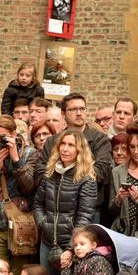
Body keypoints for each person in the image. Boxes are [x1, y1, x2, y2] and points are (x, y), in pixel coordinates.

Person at [33, 129, 97, 275]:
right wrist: (43, 222)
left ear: (79, 150)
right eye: (63, 144)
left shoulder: (86, 178)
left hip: (71, 245)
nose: (65, 148)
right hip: (47, 242)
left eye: (71, 145)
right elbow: (37, 204)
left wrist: (70, 248)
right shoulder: (50, 173)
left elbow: (85, 217)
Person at [36, 93, 112, 222]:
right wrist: (84, 169)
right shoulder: (52, 141)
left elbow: (101, 172)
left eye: (82, 109)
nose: (79, 113)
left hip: (87, 211)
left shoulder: (100, 139)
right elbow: (39, 173)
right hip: (56, 211)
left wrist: (61, 173)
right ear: (64, 114)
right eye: (73, 109)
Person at [0, 115, 39, 275]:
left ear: (13, 134)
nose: (0, 141)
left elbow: (28, 187)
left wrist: (16, 159)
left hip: (21, 223)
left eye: (4, 137)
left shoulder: (30, 154)